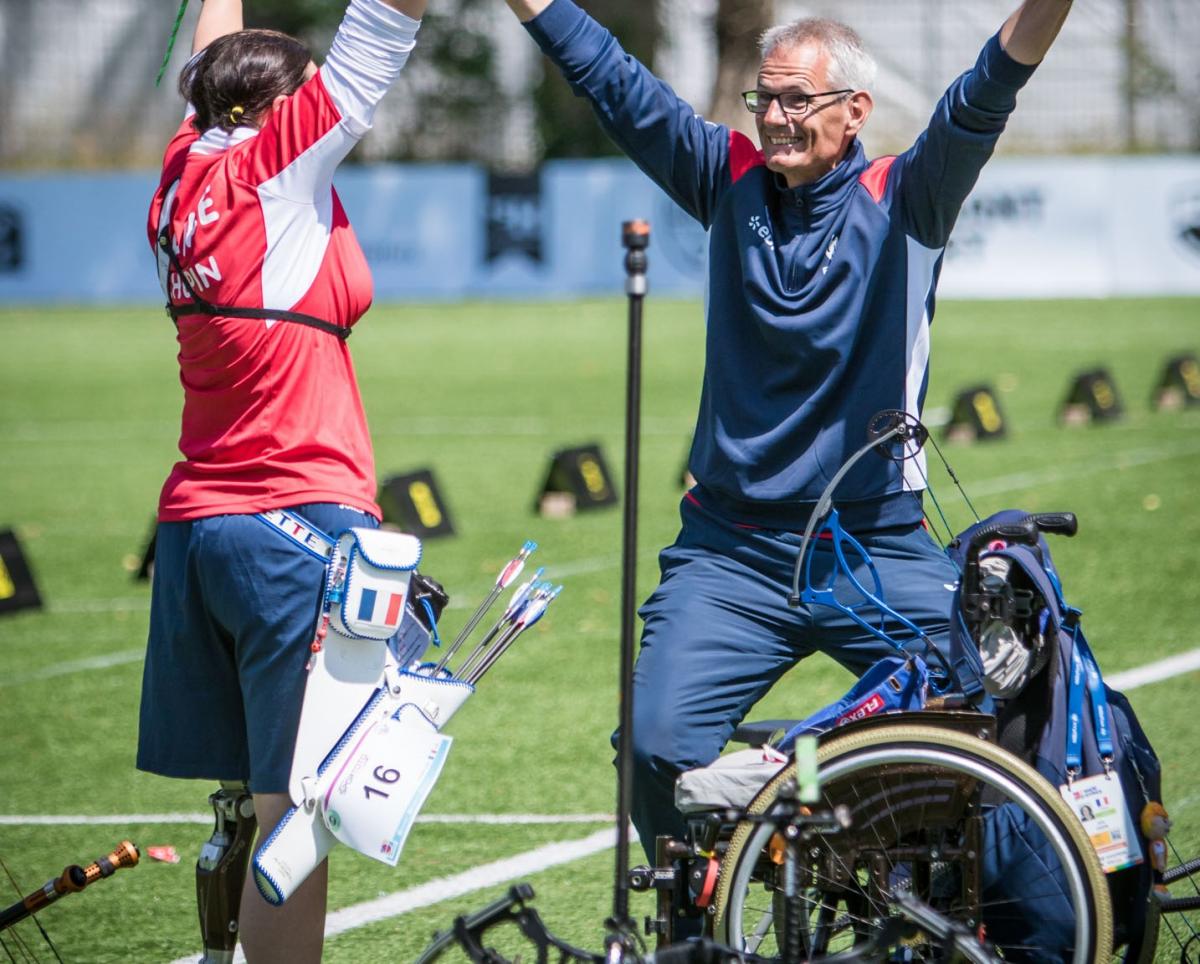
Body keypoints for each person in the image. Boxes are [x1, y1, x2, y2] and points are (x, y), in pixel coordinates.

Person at [500, 0, 1074, 861]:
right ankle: (698, 934)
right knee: (653, 747)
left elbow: (994, 81)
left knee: (1000, 692)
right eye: (763, 99)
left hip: (874, 546)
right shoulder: (728, 179)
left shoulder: (909, 196)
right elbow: (613, 82)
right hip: (731, 554)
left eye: (798, 101)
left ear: (855, 111)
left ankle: (912, 888)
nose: (775, 118)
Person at [137, 0, 426, 960]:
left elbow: (210, 56)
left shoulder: (188, 164)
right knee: (297, 824)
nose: (327, 121)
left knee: (268, 809)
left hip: (203, 532)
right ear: (278, 109)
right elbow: (383, 28)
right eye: (308, 104)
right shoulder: (274, 167)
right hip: (294, 528)